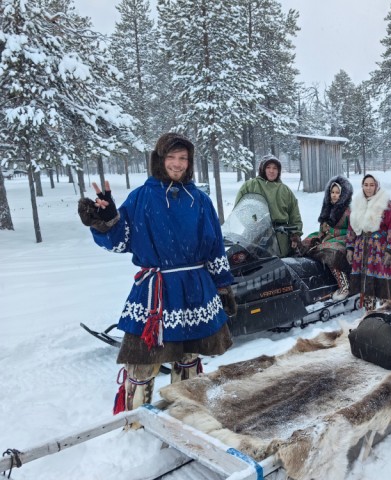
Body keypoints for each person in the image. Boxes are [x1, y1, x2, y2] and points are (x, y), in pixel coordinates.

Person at [78, 132, 236, 415]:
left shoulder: (199, 200)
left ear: (189, 163)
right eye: (171, 157)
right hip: (156, 291)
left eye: (183, 158)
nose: (177, 164)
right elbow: (120, 241)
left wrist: (223, 286)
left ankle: (187, 414)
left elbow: (214, 246)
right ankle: (135, 421)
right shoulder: (141, 197)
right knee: (142, 360)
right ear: (159, 160)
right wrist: (106, 221)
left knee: (188, 356)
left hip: (194, 287)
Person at [346, 174, 391, 311]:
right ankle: (369, 313)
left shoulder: (386, 204)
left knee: (382, 283)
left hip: (379, 249)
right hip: (361, 248)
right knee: (366, 283)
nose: (368, 188)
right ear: (362, 186)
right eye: (366, 185)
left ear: (377, 186)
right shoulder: (357, 203)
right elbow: (352, 227)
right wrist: (350, 248)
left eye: (372, 185)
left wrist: (390, 250)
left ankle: (385, 312)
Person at [235, 154, 303, 257]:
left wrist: (295, 234)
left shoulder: (285, 190)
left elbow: (294, 215)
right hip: (255, 235)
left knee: (277, 267)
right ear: (262, 169)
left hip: (280, 238)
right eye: (268, 167)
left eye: (275, 168)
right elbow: (240, 208)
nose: (271, 171)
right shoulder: (250, 186)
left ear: (279, 171)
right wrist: (253, 222)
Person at [300, 175, 353, 301]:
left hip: (343, 238)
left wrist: (332, 231)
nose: (334, 195)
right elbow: (322, 227)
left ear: (343, 194)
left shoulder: (348, 211)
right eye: (332, 192)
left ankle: (344, 286)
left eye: (337, 193)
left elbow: (352, 230)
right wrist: (320, 234)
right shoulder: (327, 207)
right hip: (327, 237)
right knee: (305, 244)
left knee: (331, 254)